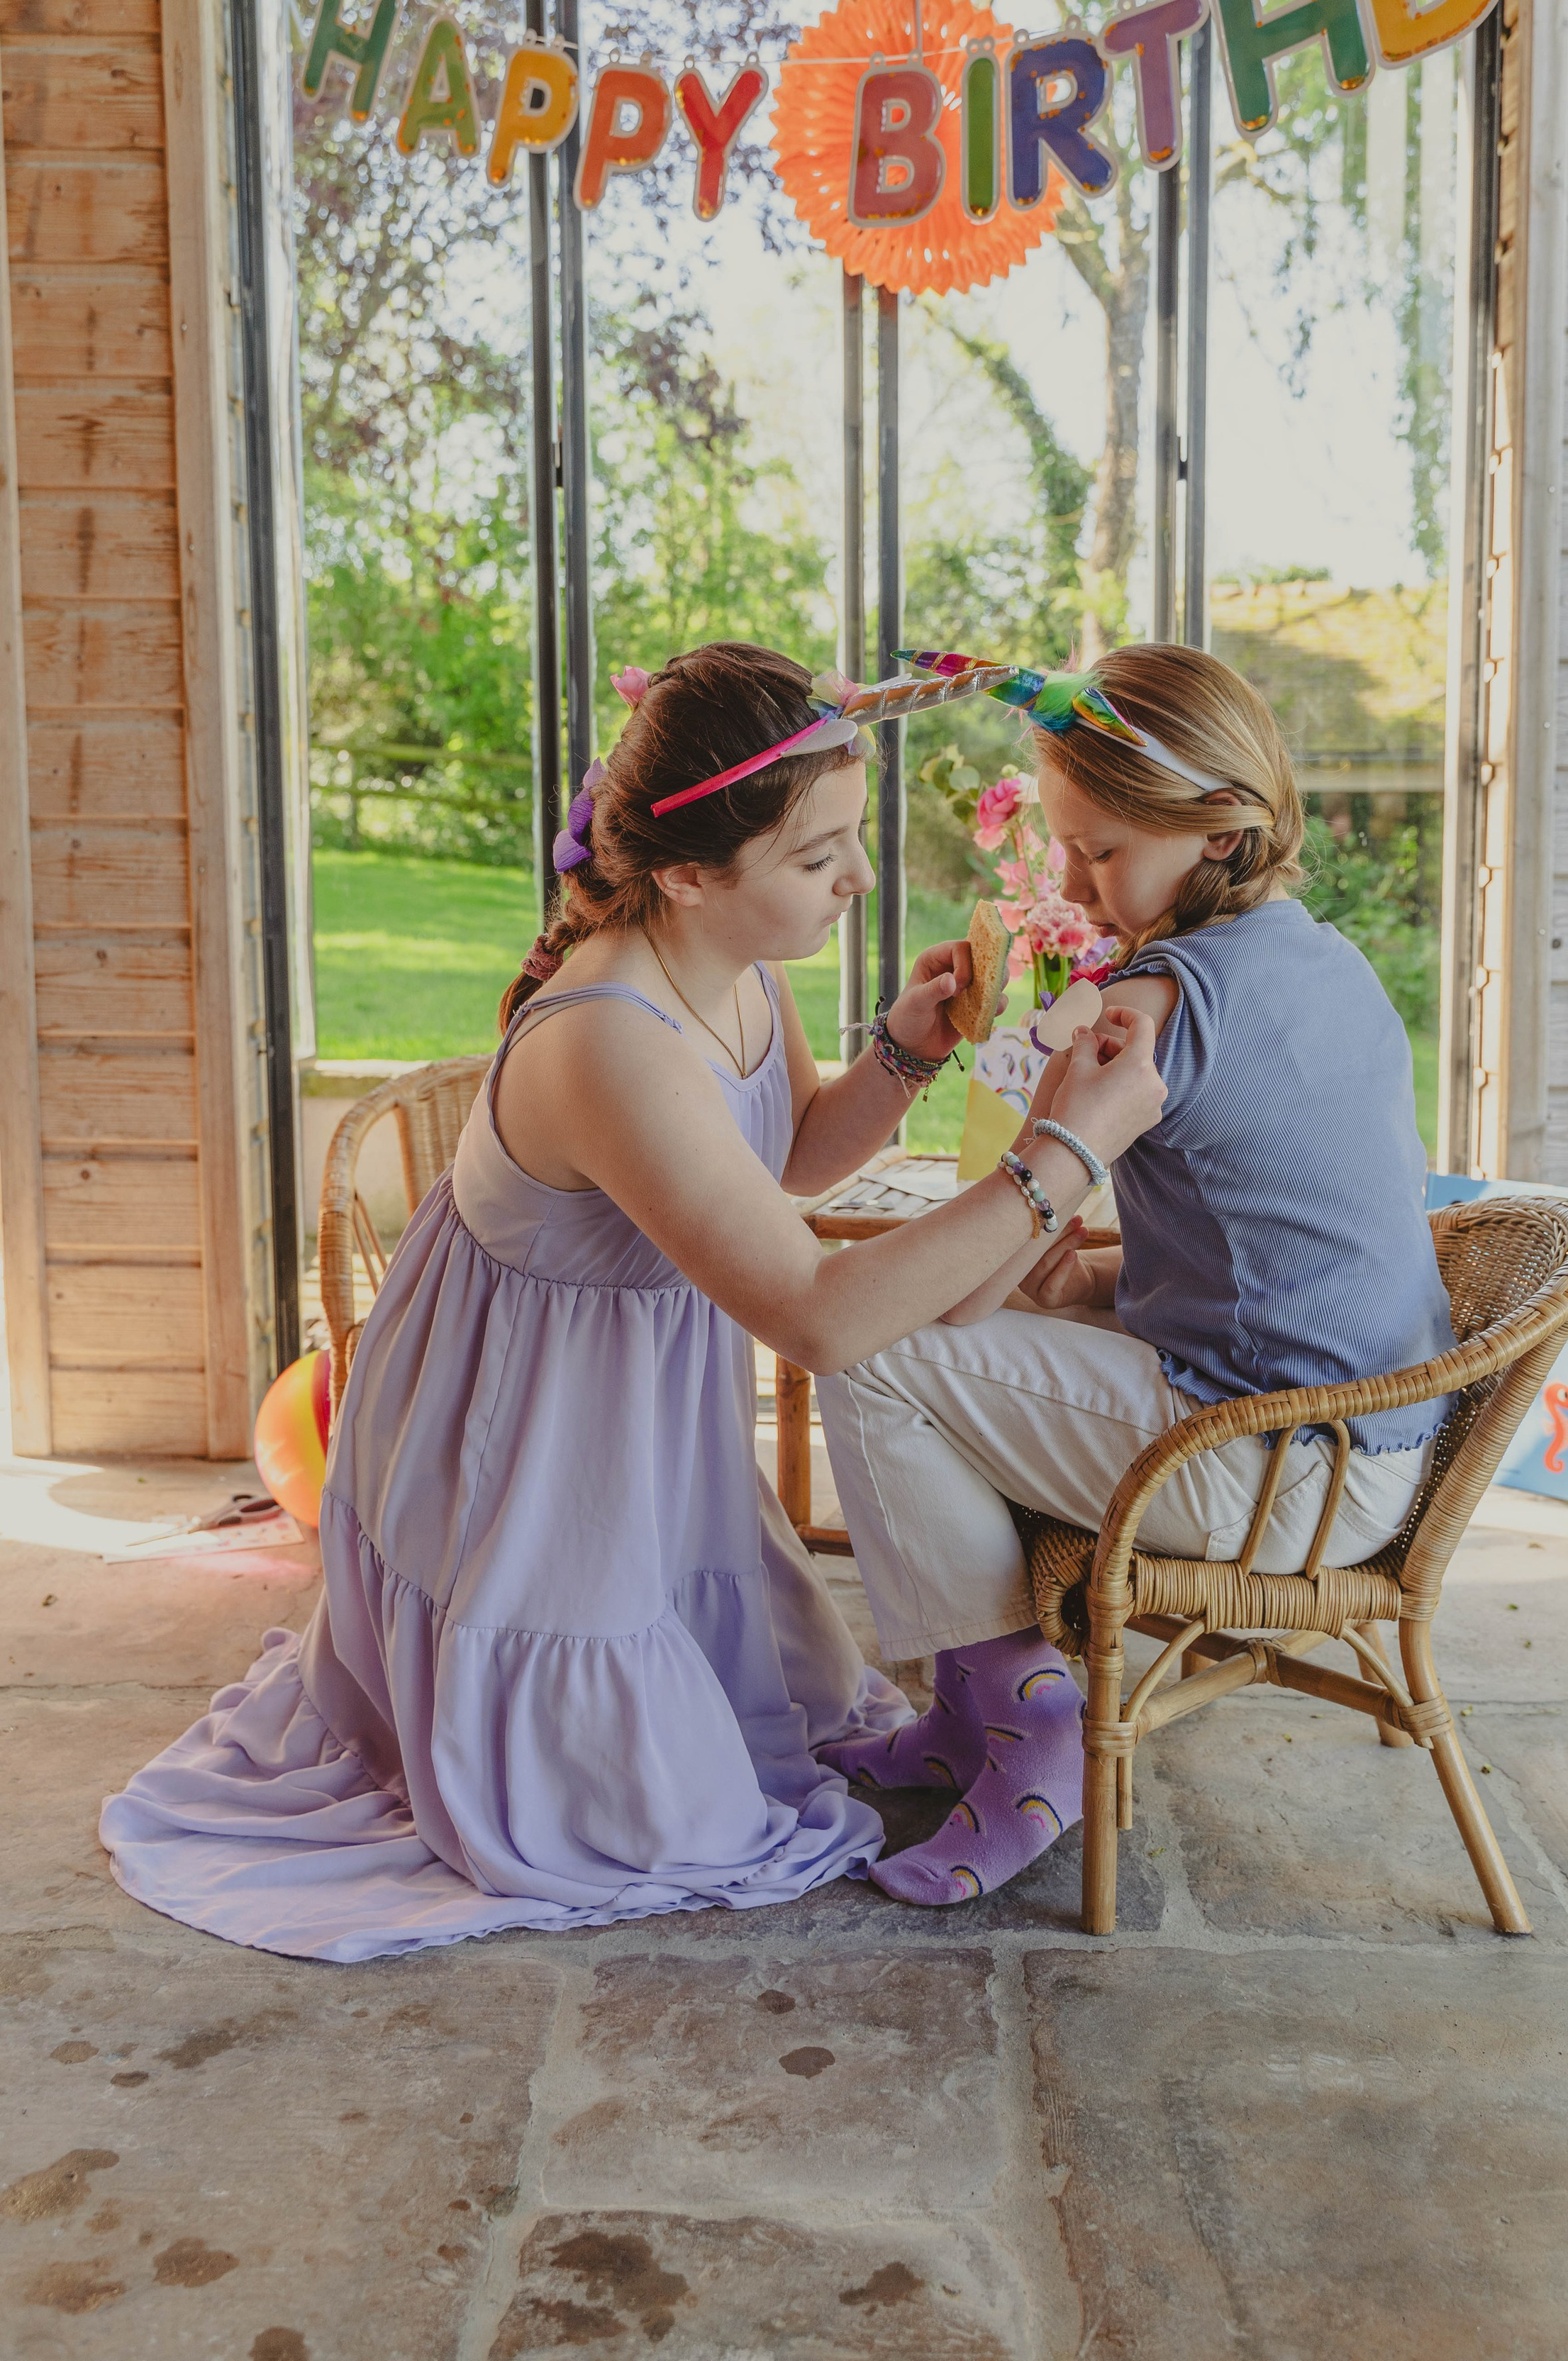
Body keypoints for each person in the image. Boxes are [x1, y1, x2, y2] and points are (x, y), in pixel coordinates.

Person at [100, 643, 1162, 1960]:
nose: (858, 878)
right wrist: (1065, 1155)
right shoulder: (607, 1037)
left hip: (633, 1395)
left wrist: (902, 1051)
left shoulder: (735, 962)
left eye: (855, 837)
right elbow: (818, 1318)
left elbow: (782, 1156)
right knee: (653, 1815)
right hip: (526, 1430)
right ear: (688, 874)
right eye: (817, 855)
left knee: (728, 1719)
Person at [815, 643, 1456, 1906]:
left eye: (1098, 851)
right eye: (1062, 846)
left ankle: (1024, 1730)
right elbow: (1276, 1243)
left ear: (1218, 828)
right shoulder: (1325, 958)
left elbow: (960, 1295)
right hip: (1374, 1456)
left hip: (1267, 1477)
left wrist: (1005, 1255)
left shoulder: (1146, 1006)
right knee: (952, 1349)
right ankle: (961, 1718)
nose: (1069, 882)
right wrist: (1092, 1283)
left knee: (876, 1349)